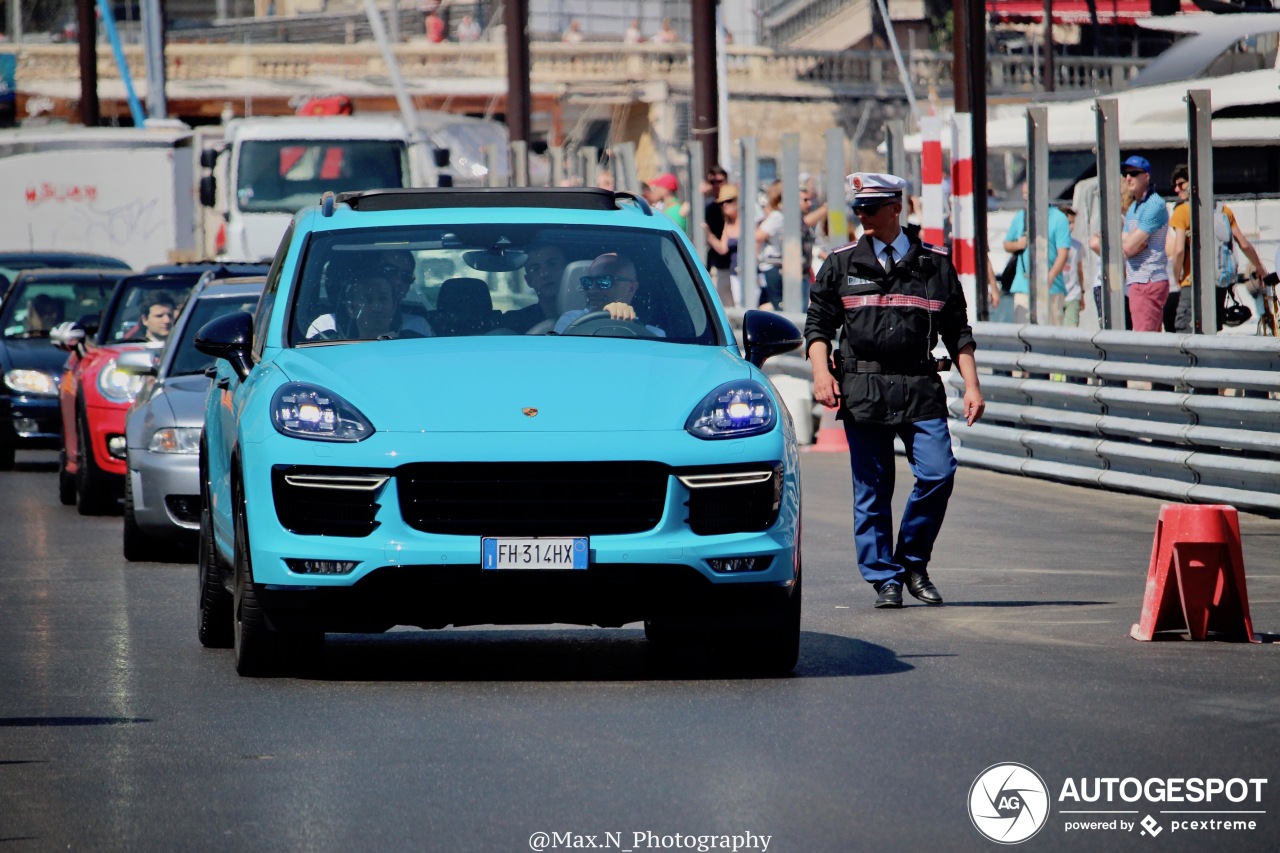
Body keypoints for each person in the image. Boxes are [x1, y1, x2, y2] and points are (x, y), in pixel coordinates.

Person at [804, 172, 984, 610]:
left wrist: (972, 384)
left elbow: (957, 330)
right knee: (872, 488)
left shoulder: (934, 263)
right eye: (858, 208)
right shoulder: (841, 262)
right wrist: (819, 373)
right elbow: (818, 325)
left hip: (919, 386)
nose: (861, 215)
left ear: (895, 208)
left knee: (939, 472)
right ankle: (885, 578)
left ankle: (913, 562)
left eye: (870, 208)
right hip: (863, 387)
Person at [1165, 162, 1270, 332]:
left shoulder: (1183, 211)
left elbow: (1178, 250)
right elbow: (1244, 244)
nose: (1176, 190)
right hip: (1218, 284)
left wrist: (1176, 279)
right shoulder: (1223, 211)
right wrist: (1260, 268)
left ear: (1194, 182)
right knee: (1210, 331)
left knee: (1184, 330)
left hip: (1192, 284)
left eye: (1181, 184)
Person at [1002, 182, 1071, 324]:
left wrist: (1050, 276)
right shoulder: (1020, 217)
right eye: (1024, 196)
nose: (1025, 200)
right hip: (1023, 286)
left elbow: (1063, 253)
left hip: (1052, 288)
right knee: (1022, 333)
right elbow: (1007, 244)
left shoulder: (1059, 218)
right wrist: (1017, 244)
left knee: (1052, 334)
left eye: (1028, 196)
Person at [553, 253, 664, 336]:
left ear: (631, 288)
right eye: (587, 282)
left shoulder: (654, 334)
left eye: (604, 281)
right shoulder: (570, 320)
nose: (592, 290)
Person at [1119, 155, 1170, 332]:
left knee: (1144, 340)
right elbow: (1126, 244)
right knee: (1148, 338)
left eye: (1134, 173)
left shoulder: (1155, 204)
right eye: (1125, 173)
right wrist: (1132, 243)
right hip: (1138, 281)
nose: (1128, 178)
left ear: (1146, 176)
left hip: (1147, 280)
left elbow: (1128, 246)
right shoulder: (1134, 208)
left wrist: (1131, 244)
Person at [505, 242, 569, 332]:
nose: (545, 274)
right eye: (535, 269)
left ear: (569, 270)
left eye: (553, 264)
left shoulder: (589, 315)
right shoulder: (514, 322)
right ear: (529, 281)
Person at [702, 183, 741, 307]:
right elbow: (723, 249)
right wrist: (709, 235)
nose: (725, 205)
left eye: (729, 201)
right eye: (721, 203)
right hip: (734, 272)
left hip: (750, 273)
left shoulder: (747, 220)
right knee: (735, 304)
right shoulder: (728, 223)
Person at [756, 180, 784, 309]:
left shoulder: (776, 216)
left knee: (775, 304)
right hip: (775, 265)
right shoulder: (781, 216)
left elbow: (758, 236)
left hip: (771, 265)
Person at [702, 165, 730, 278]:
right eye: (712, 182)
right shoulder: (709, 207)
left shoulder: (734, 205)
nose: (716, 185)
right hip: (715, 261)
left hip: (732, 261)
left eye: (719, 181)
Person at [1061, 207, 1085, 327]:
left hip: (1073, 294)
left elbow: (1079, 271)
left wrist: (1082, 294)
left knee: (1071, 329)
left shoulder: (1077, 246)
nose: (1070, 226)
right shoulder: (1053, 244)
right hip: (1057, 294)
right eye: (1068, 223)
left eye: (1072, 223)